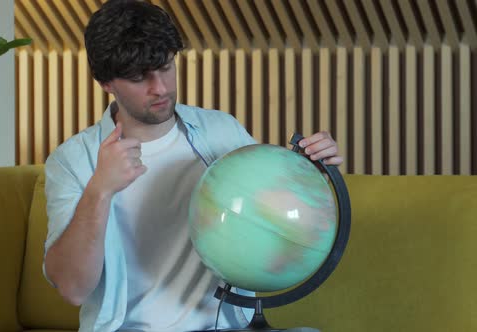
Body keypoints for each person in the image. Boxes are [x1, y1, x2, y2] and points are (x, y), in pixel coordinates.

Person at [43, 1, 343, 331]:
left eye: (166, 67)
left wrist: (311, 168)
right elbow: (72, 289)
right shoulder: (72, 161)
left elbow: (273, 213)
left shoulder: (221, 130)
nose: (160, 88)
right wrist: (100, 190)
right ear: (106, 83)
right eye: (138, 77)